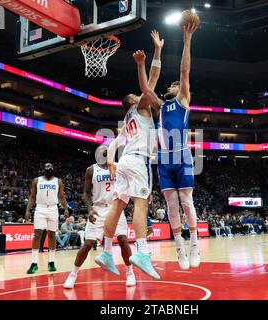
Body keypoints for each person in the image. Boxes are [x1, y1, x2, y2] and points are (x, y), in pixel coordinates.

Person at [93, 31, 164, 280]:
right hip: (137, 161)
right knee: (141, 203)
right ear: (133, 101)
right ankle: (142, 252)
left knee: (118, 204)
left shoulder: (126, 120)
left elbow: (113, 144)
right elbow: (152, 79)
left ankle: (106, 252)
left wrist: (111, 162)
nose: (140, 94)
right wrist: (155, 52)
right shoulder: (141, 106)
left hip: (124, 161)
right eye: (137, 95)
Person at [135, 23, 200, 270]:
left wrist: (186, 39)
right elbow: (144, 88)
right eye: (172, 84)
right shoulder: (160, 105)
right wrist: (155, 54)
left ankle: (194, 244)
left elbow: (184, 71)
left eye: (177, 84)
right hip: (162, 158)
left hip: (182, 155)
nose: (175, 84)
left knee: (187, 201)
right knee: (172, 205)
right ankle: (179, 248)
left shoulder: (183, 100)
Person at [64, 145, 136, 289]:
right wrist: (89, 209)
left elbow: (129, 185)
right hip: (98, 208)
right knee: (88, 244)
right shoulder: (91, 169)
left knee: (123, 240)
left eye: (107, 152)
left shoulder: (118, 167)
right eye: (103, 152)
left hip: (115, 208)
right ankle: (73, 275)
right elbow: (86, 193)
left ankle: (130, 273)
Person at [25, 163, 69, 274]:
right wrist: (27, 210)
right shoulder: (37, 180)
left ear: (53, 169)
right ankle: (34, 263)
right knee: (37, 234)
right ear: (43, 169)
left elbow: (62, 196)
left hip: (53, 208)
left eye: (50, 167)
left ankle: (51, 262)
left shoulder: (58, 181)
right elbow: (32, 196)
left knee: (52, 234)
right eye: (47, 167)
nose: (49, 168)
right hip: (40, 208)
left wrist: (66, 208)